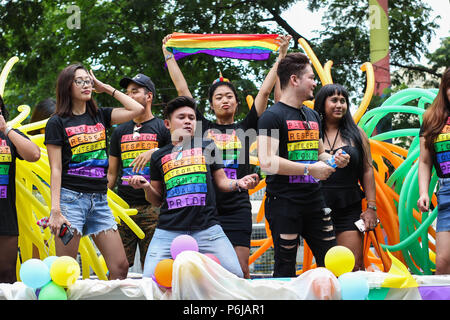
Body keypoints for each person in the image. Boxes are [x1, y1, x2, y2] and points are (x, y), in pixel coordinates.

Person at [162, 33, 291, 278]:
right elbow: (183, 90)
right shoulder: (201, 127)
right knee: (208, 271)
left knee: (241, 270)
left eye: (229, 96)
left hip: (237, 207)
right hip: (206, 207)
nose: (224, 100)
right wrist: (169, 54)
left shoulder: (247, 128)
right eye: (218, 97)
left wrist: (281, 56)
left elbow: (264, 93)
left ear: (237, 103)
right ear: (210, 105)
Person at [128, 96, 259, 279]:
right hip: (168, 230)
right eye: (181, 117)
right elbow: (156, 200)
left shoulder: (208, 146)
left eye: (191, 117)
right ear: (167, 124)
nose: (188, 121)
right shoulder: (158, 156)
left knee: (235, 274)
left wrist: (238, 183)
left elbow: (222, 182)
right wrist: (146, 187)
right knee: (149, 279)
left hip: (207, 228)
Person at [45, 63, 145, 280]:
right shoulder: (57, 122)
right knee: (66, 271)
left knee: (120, 267)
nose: (85, 84)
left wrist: (106, 87)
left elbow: (137, 109)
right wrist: (55, 210)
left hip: (99, 202)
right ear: (67, 87)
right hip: (70, 202)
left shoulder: (101, 116)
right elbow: (55, 168)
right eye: (78, 81)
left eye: (87, 80)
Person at [257, 52, 350, 277]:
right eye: (311, 77)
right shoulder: (271, 116)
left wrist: (334, 158)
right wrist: (309, 169)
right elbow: (267, 161)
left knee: (331, 262)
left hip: (314, 200)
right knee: (286, 265)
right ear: (294, 80)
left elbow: (318, 152)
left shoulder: (311, 115)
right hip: (284, 202)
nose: (315, 83)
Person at [108, 73, 171, 270]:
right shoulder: (119, 131)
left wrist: (155, 151)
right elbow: (111, 174)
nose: (130, 96)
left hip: (154, 208)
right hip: (123, 209)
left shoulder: (163, 127)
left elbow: (181, 148)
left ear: (149, 96)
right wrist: (103, 203)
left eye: (135, 92)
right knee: (118, 267)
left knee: (153, 268)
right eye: (127, 93)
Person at [314, 83, 377, 271]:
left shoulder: (357, 134)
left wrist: (371, 207)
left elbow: (367, 170)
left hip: (349, 207)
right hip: (316, 207)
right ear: (322, 103)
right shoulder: (311, 132)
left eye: (343, 101)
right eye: (333, 100)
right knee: (325, 270)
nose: (339, 105)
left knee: (353, 266)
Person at [0, 94, 41, 283]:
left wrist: (6, 129)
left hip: (5, 215)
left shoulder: (9, 135)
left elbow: (34, 154)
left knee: (7, 274)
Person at [418, 67, 450, 275]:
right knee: (443, 262)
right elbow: (425, 161)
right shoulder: (432, 119)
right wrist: (423, 193)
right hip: (446, 191)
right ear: (445, 88)